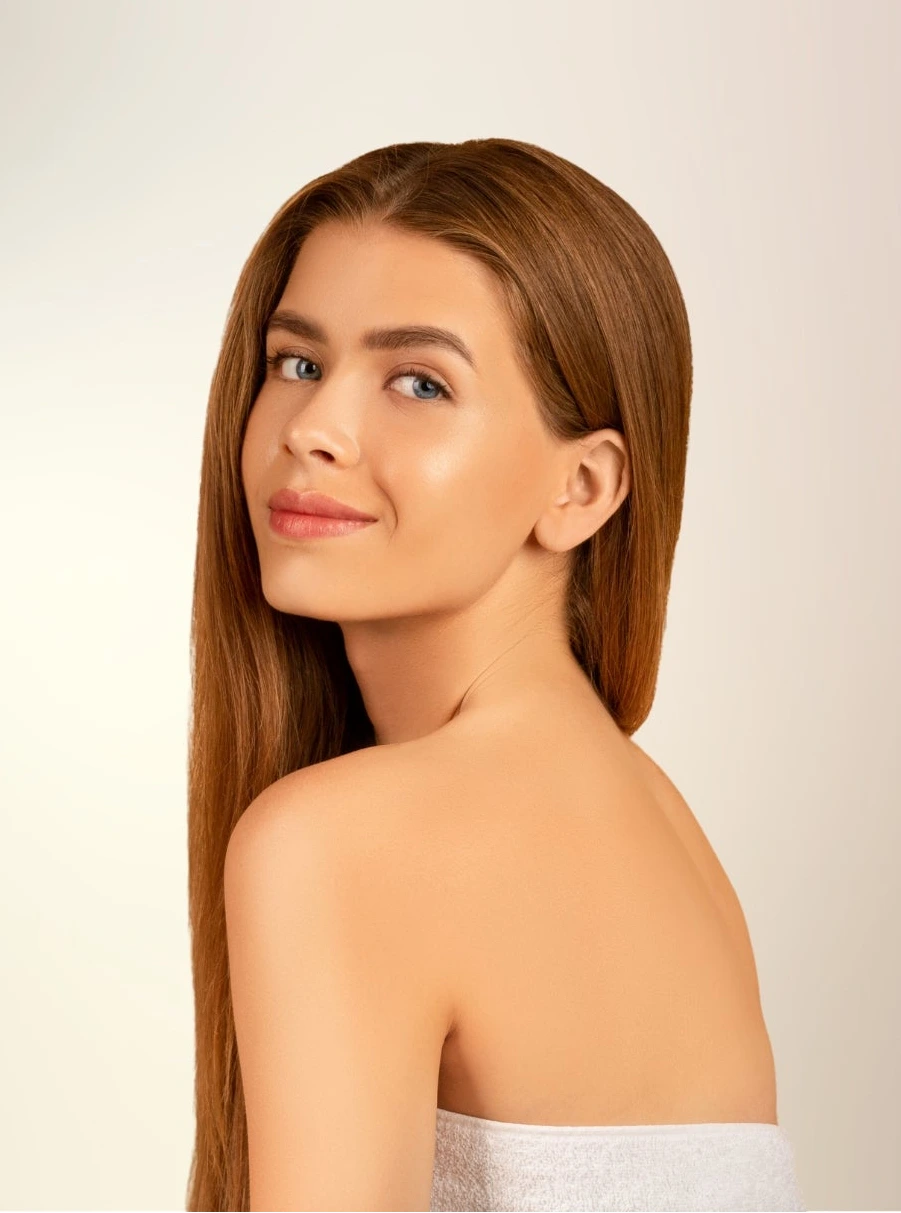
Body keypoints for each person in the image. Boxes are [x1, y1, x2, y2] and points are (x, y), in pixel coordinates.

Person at [184, 137, 806, 1212]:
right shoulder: (661, 828)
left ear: (580, 487)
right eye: (297, 362)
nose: (315, 429)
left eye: (418, 381)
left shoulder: (341, 838)